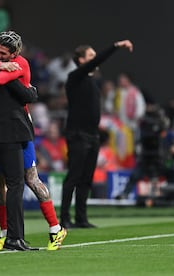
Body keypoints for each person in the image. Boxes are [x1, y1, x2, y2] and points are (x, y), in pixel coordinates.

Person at [0, 31, 67, 251]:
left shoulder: (19, 63)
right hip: (0, 131)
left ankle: (55, 228)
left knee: (30, 179)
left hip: (19, 127)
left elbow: (17, 88)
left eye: (3, 53)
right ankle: (5, 233)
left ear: (14, 53)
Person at [60, 40, 134, 229]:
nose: (95, 59)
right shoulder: (75, 76)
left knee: (87, 178)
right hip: (78, 134)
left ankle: (81, 218)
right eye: (91, 56)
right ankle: (64, 218)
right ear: (81, 60)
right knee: (74, 177)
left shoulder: (92, 81)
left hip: (92, 135)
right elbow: (96, 62)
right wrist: (115, 46)